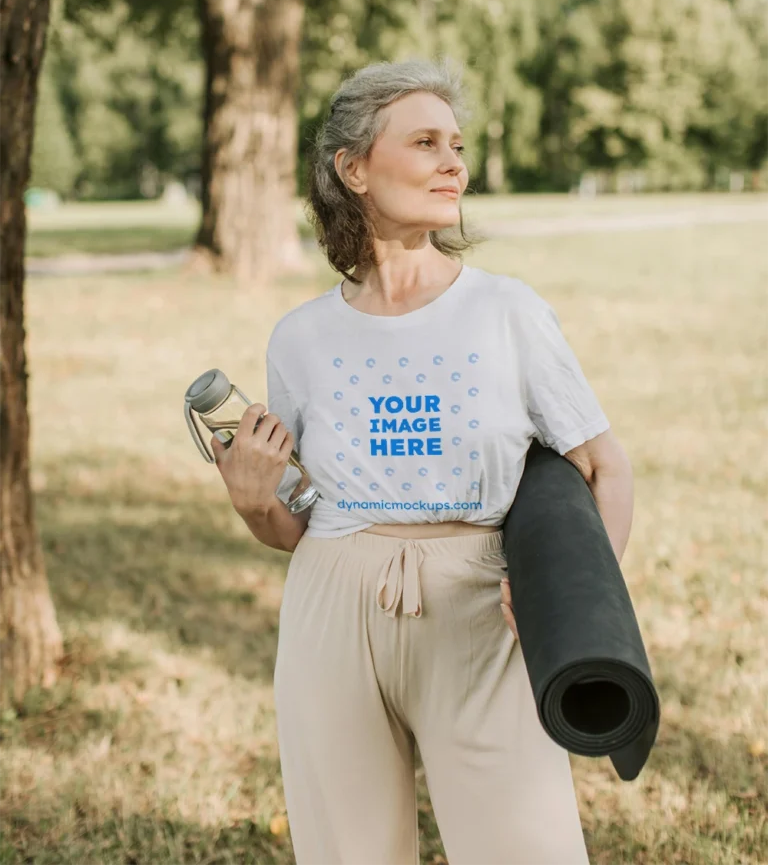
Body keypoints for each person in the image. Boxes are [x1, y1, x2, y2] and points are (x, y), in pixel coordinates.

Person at [211, 59, 631, 865]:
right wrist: (253, 500)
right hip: (331, 600)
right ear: (354, 167)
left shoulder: (507, 311)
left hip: (481, 601)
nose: (454, 165)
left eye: (458, 145)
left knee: (526, 848)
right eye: (427, 142)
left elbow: (605, 465)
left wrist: (575, 609)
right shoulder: (300, 338)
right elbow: (291, 525)